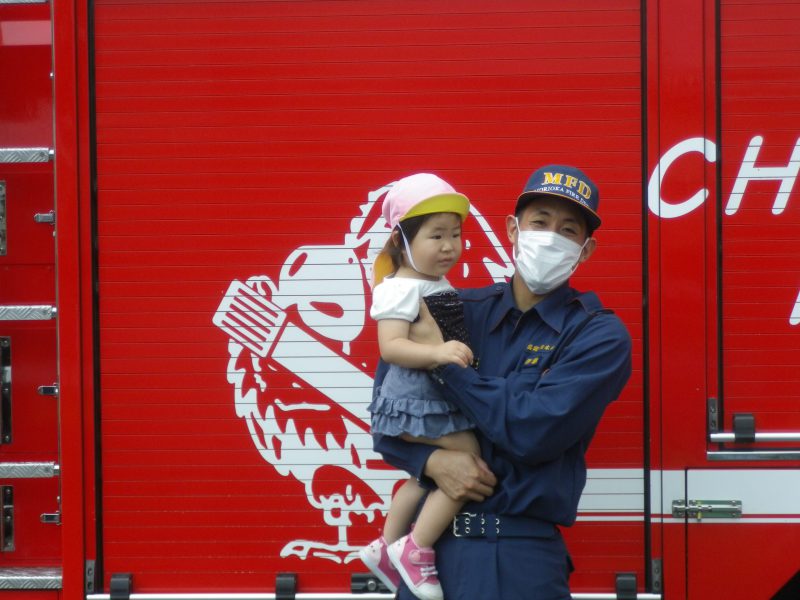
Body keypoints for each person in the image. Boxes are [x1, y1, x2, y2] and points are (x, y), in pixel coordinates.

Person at [373, 165, 633, 599]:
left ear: (585, 250)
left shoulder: (597, 335)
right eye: (539, 222)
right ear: (513, 229)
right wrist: (433, 463)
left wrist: (448, 369)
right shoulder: (452, 305)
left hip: (520, 554)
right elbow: (389, 417)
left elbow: (533, 432)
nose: (550, 238)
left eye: (568, 230)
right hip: (428, 556)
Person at [359, 173, 480, 600]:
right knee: (470, 457)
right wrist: (438, 352)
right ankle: (416, 547)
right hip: (414, 400)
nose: (449, 246)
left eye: (456, 235)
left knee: (422, 473)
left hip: (432, 398)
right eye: (436, 235)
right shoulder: (398, 289)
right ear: (402, 240)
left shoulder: (434, 284)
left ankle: (385, 546)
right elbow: (390, 347)